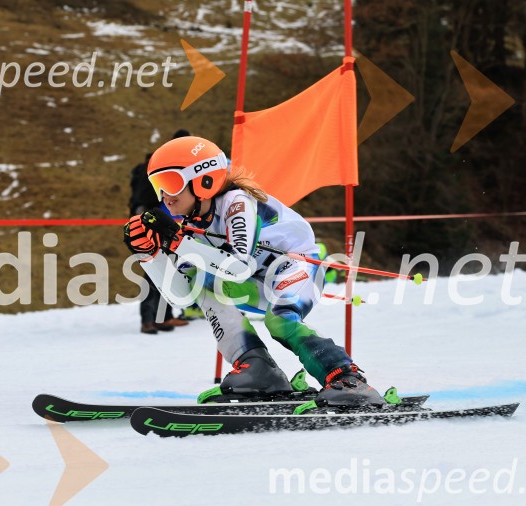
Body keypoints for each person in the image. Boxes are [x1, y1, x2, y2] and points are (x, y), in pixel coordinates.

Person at [123, 136, 385, 407]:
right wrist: (149, 255)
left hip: (297, 267)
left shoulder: (237, 202)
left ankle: (346, 378)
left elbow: (237, 267)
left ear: (204, 180)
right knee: (200, 282)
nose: (164, 195)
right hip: (257, 281)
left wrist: (178, 243)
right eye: (158, 186)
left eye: (170, 183)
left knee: (280, 321)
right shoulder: (189, 230)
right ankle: (257, 368)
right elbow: (182, 296)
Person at [129, 149, 187, 334]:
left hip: (159, 225)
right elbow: (147, 199)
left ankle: (163, 317)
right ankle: (149, 320)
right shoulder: (151, 174)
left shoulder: (147, 172)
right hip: (153, 226)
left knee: (166, 271)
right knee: (155, 272)